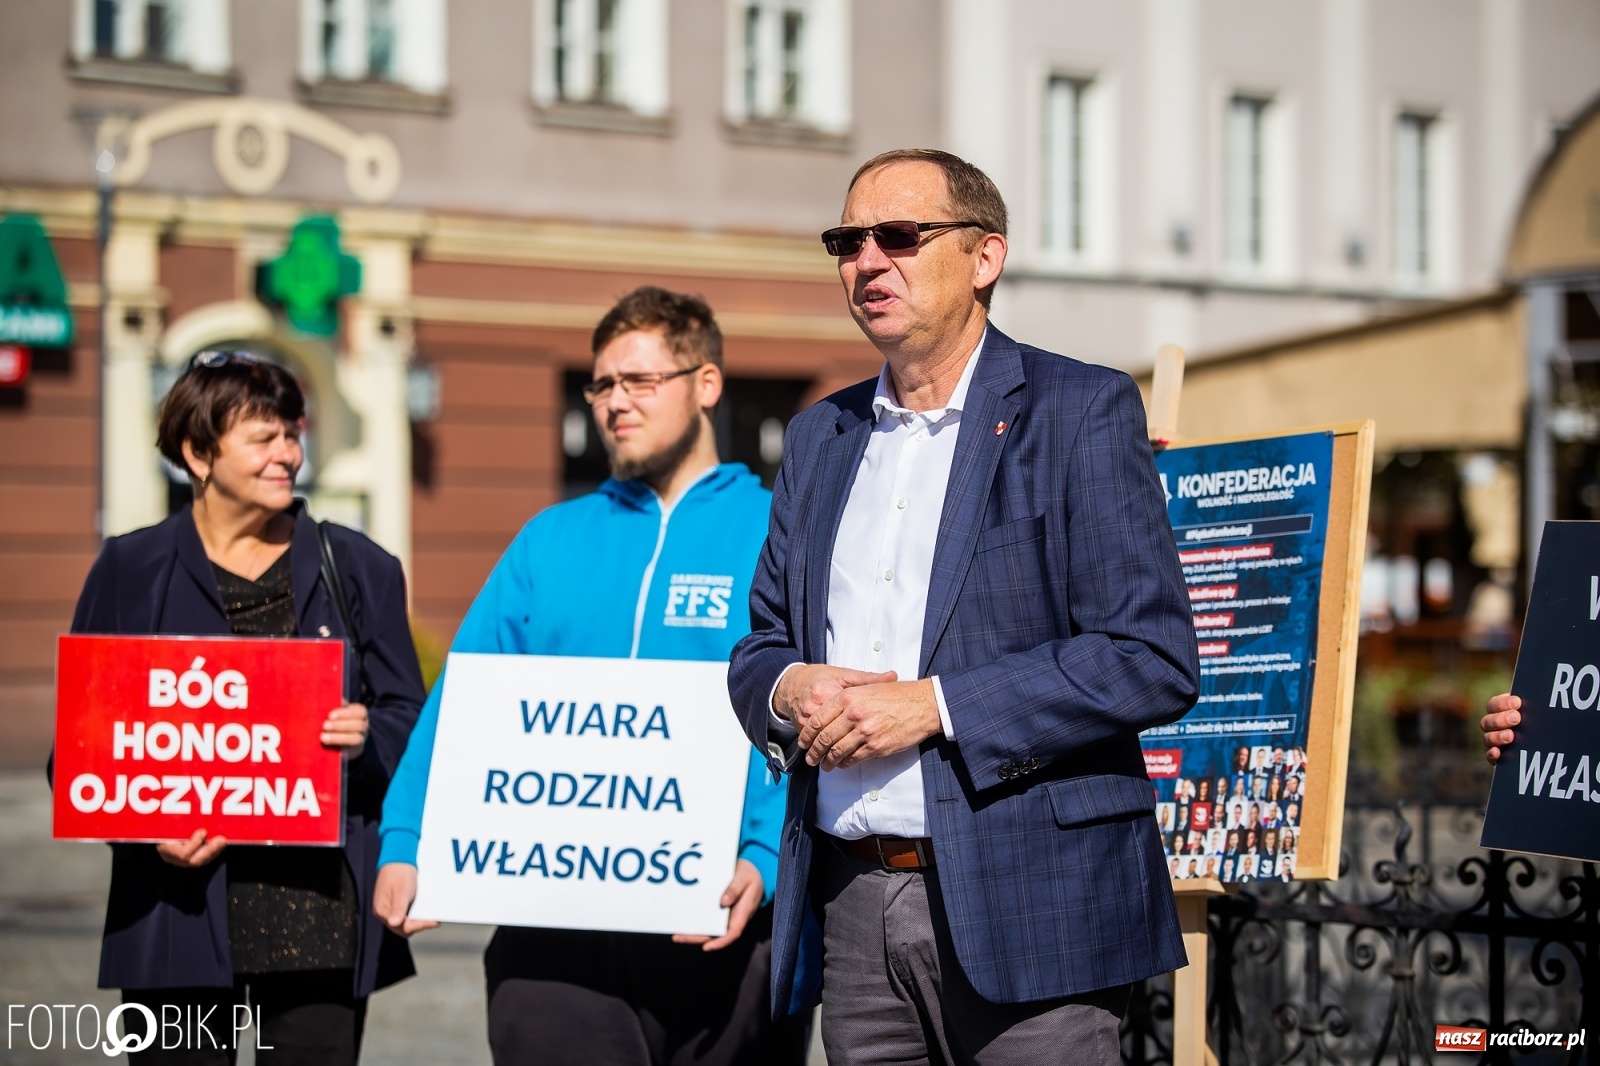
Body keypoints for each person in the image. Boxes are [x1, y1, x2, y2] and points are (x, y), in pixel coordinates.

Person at [727, 148, 1200, 1064]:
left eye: (899, 235)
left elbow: (1150, 656)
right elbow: (762, 644)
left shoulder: (1082, 409)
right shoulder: (821, 435)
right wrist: (789, 689)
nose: (868, 261)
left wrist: (936, 706)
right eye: (847, 242)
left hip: (1033, 904)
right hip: (853, 903)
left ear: (985, 257)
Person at [371, 287, 806, 1066]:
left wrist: (766, 854)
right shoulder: (550, 538)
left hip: (725, 915)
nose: (615, 402)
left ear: (706, 384)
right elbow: (464, 699)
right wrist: (407, 837)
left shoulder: (779, 531)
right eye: (601, 385)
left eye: (640, 380)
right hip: (555, 930)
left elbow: (806, 710)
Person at [57, 351, 425, 1063]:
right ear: (199, 455)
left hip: (318, 920)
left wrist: (367, 738)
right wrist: (147, 829)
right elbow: (78, 751)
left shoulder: (359, 567)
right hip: (177, 918)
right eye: (263, 438)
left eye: (292, 433)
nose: (287, 453)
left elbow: (410, 718)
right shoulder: (130, 570)